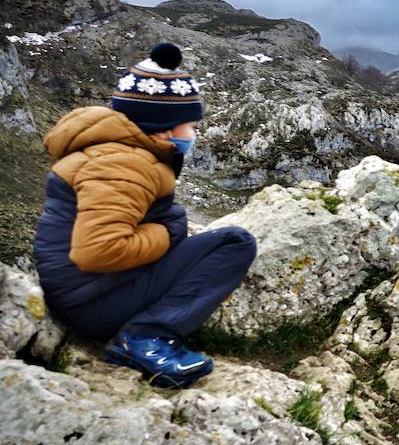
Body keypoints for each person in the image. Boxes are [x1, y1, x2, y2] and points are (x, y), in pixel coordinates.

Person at [33, 41, 256, 387]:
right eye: (191, 126)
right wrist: (166, 233)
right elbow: (98, 250)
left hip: (86, 292)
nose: (195, 133)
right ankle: (143, 337)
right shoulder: (124, 164)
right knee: (235, 243)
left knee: (204, 243)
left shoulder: (117, 154)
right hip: (90, 303)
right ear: (165, 127)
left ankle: (143, 330)